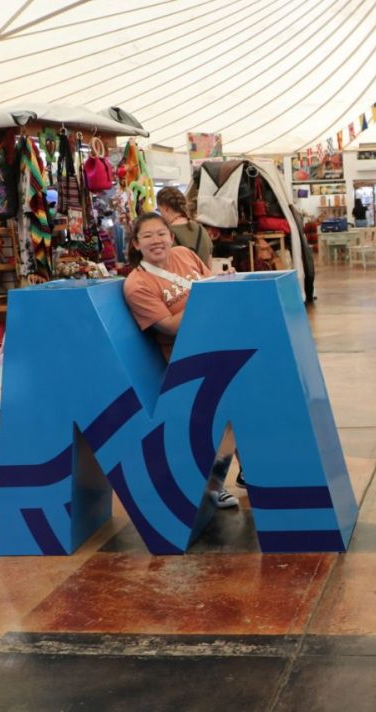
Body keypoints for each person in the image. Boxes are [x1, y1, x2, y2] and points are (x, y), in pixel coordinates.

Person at [122, 212, 239, 508]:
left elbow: (214, 287)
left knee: (246, 399)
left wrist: (223, 283)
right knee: (219, 411)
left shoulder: (185, 255)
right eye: (147, 236)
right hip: (186, 358)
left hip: (220, 340)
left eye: (161, 234)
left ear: (171, 236)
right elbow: (171, 326)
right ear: (136, 244)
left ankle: (247, 469)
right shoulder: (137, 285)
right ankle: (213, 484)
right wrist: (207, 296)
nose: (156, 241)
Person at [155, 186, 212, 269]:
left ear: (165, 208)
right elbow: (209, 266)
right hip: (204, 277)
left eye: (159, 211)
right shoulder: (202, 230)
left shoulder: (166, 235)